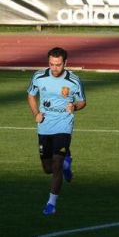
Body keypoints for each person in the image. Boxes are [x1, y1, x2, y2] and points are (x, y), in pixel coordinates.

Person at [27, 47, 86, 215]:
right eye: (52, 65)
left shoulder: (74, 80)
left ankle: (51, 203)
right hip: (44, 127)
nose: (54, 68)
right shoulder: (39, 76)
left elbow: (82, 101)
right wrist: (36, 114)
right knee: (47, 168)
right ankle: (67, 164)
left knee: (56, 164)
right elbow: (31, 95)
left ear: (65, 63)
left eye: (58, 65)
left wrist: (74, 106)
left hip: (63, 126)